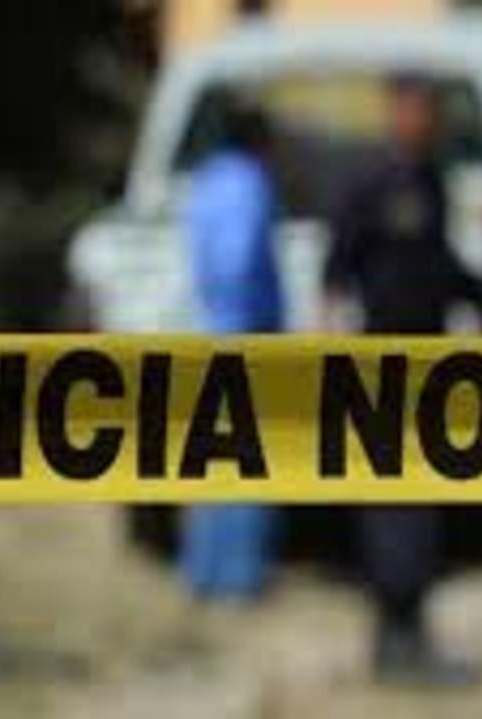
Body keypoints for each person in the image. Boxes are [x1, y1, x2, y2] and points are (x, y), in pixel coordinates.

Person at [323, 75, 482, 686]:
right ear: (394, 110)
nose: (425, 120)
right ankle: (397, 639)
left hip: (431, 366)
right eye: (416, 108)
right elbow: (335, 274)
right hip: (381, 367)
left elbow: (443, 266)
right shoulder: (368, 183)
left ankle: (409, 634)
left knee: (420, 504)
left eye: (431, 110)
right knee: (395, 505)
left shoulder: (433, 180)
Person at [177, 97, 283, 602]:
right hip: (244, 334)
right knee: (245, 459)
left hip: (210, 328)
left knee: (210, 457)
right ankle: (239, 576)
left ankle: (203, 571)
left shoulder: (207, 182)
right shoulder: (250, 185)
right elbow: (238, 260)